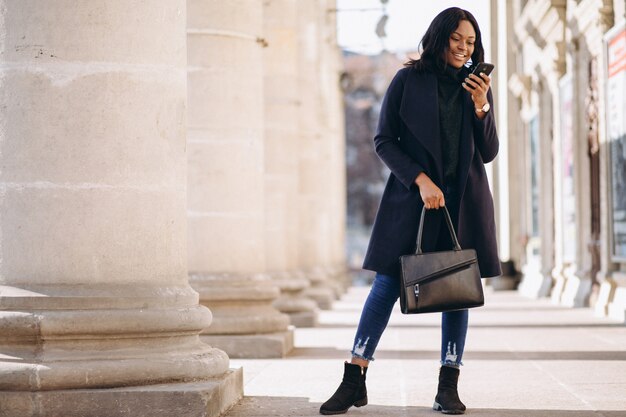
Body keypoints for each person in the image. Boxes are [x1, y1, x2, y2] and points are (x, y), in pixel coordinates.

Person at [320, 7, 500, 416]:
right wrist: (420, 180)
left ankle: (448, 386)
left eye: (471, 42)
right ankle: (354, 378)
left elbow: (488, 152)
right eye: (457, 38)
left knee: (459, 292)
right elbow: (384, 140)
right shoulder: (408, 79)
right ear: (439, 36)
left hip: (463, 203)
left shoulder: (478, 88)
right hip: (413, 198)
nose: (464, 48)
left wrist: (481, 107)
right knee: (385, 285)